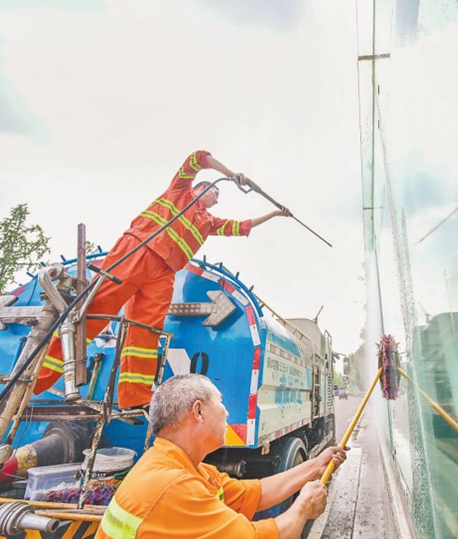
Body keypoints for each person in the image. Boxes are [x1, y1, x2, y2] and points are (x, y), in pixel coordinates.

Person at [33, 151, 291, 408]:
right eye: (216, 194)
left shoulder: (209, 222)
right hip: (138, 250)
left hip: (164, 272)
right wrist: (232, 174)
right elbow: (199, 158)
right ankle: (37, 377)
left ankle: (136, 396)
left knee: (146, 331)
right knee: (99, 308)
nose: (217, 200)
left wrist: (275, 214)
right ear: (204, 187)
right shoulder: (179, 191)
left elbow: (240, 227)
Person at [96, 374, 347, 539]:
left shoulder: (185, 468)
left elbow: (254, 494)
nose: (227, 411)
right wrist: (303, 506)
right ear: (199, 412)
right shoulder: (172, 486)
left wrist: (315, 466)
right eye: (220, 401)